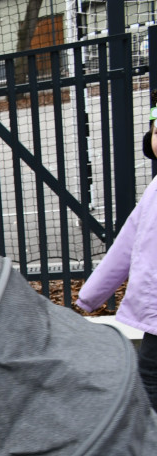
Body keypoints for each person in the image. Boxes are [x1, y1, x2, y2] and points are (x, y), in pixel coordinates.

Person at [76, 98, 157, 411]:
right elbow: (125, 246)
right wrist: (90, 296)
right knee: (148, 377)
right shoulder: (153, 192)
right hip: (155, 323)